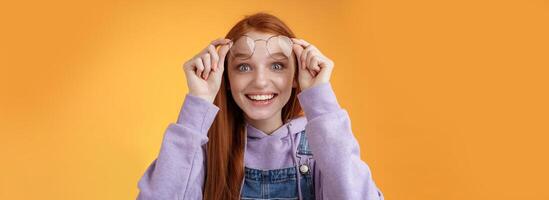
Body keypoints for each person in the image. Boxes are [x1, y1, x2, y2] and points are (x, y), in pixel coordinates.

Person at [137, 12, 384, 200]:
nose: (261, 81)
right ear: (226, 77)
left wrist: (320, 98)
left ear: (296, 75)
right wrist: (198, 101)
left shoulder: (321, 148)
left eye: (277, 65)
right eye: (244, 67)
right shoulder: (202, 150)